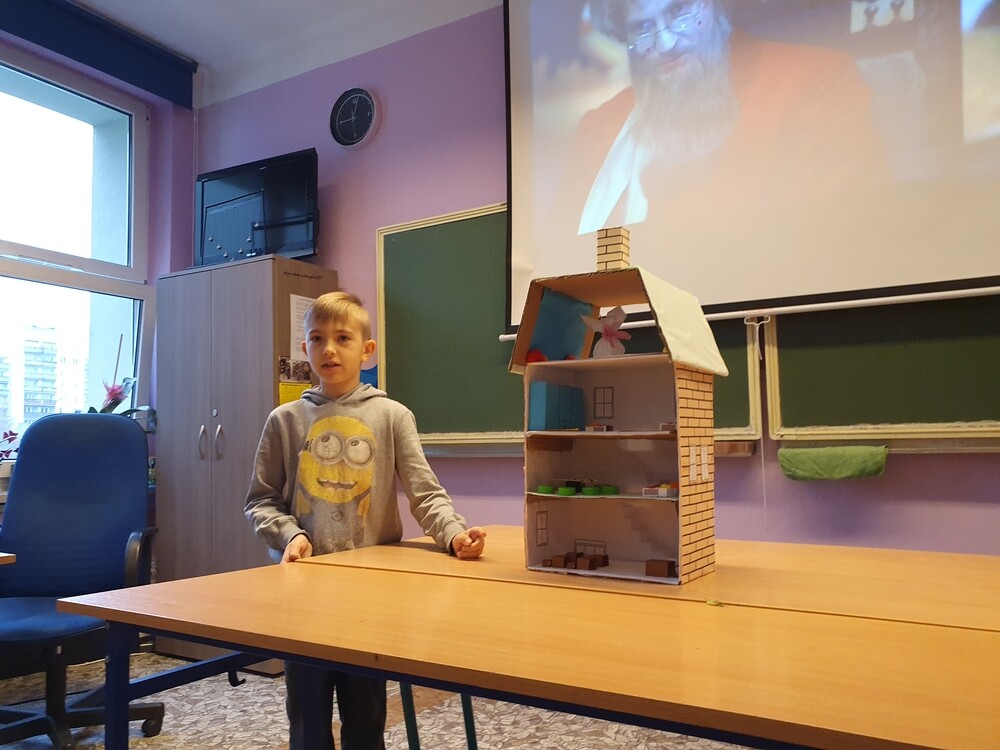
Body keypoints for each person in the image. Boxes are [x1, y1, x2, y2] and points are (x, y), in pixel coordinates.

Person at [245, 291, 487, 750]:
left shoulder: (392, 416)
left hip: (370, 597)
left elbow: (425, 494)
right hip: (304, 597)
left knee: (365, 719)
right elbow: (261, 501)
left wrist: (454, 535)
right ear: (305, 348)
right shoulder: (284, 420)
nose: (329, 349)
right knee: (307, 722)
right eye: (318, 339)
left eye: (343, 338)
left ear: (367, 349)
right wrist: (290, 535)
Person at [566, 0, 888, 235]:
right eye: (642, 28)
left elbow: (826, 240)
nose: (666, 43)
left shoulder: (817, 80)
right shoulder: (600, 128)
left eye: (680, 11)